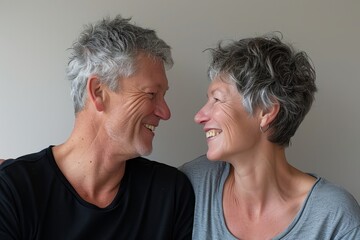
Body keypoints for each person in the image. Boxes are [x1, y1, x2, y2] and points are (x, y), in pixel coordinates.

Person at [0, 16, 194, 240]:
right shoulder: (15, 190)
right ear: (99, 92)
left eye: (163, 96)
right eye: (151, 94)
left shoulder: (170, 193)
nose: (165, 112)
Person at [180, 35, 360, 239]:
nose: (199, 116)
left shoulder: (334, 217)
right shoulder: (194, 184)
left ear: (266, 112)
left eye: (217, 99)